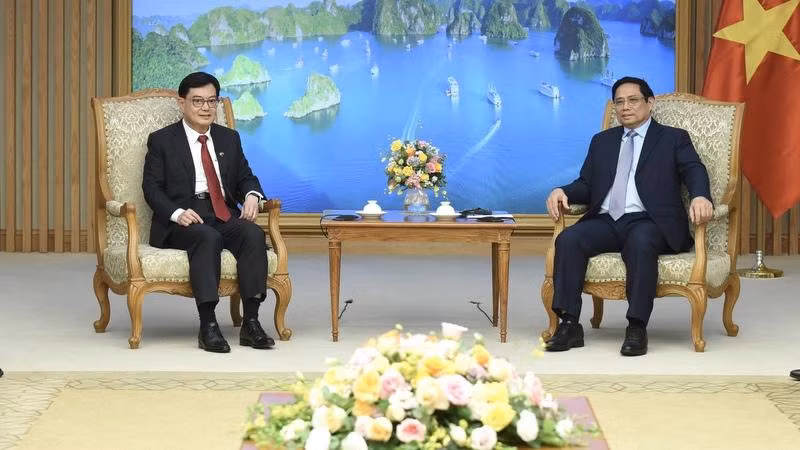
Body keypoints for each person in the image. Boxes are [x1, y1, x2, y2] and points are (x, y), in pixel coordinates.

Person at [544, 76, 714, 356]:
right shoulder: (602, 141)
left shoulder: (673, 138)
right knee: (569, 239)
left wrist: (700, 195)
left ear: (650, 103)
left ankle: (636, 327)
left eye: (633, 100)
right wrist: (561, 190)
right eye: (619, 102)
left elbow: (694, 169)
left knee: (640, 241)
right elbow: (587, 184)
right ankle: (570, 324)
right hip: (607, 220)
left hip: (651, 221)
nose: (625, 107)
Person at [142, 72, 273, 353]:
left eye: (211, 101)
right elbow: (151, 189)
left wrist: (252, 195)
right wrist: (177, 213)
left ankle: (251, 322)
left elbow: (245, 177)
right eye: (198, 101)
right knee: (206, 237)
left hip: (222, 214)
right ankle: (208, 325)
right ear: (182, 103)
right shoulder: (162, 141)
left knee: (251, 232)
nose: (206, 108)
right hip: (184, 219)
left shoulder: (229, 138)